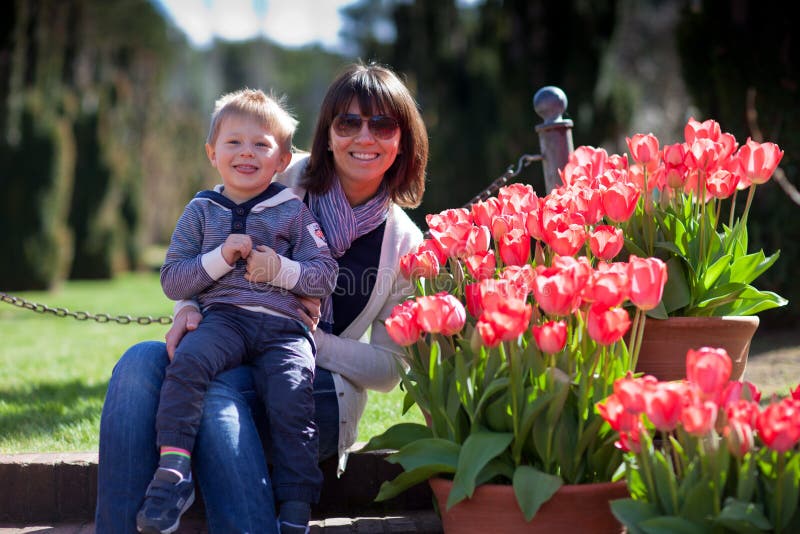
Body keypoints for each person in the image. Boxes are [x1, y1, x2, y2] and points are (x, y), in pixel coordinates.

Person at [96, 61, 428, 534]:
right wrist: (188, 309)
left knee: (215, 394)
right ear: (327, 133)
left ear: (403, 139)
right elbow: (209, 236)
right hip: (231, 338)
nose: (364, 136)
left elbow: (390, 369)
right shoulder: (280, 171)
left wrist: (310, 336)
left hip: (312, 388)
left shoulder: (404, 244)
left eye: (382, 124)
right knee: (137, 365)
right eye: (348, 121)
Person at [136, 88, 338, 534]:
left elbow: (324, 275)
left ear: (282, 160)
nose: (247, 152)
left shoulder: (293, 212)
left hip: (284, 329)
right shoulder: (201, 211)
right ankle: (173, 473)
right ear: (212, 152)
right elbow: (173, 279)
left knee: (292, 396)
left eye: (261, 144)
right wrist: (220, 258)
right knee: (187, 362)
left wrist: (279, 269)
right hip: (223, 319)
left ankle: (296, 508)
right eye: (233, 142)